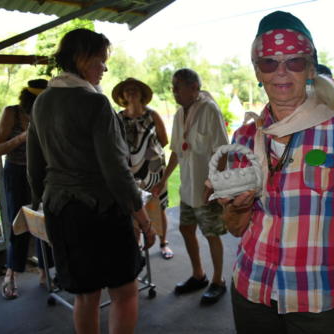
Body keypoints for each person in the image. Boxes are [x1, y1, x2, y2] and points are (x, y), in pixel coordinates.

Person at [217, 11, 334, 334]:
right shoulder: (244, 138)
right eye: (269, 62)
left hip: (319, 300)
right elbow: (236, 229)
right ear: (257, 71)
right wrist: (236, 208)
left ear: (310, 69)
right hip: (252, 290)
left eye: (294, 62)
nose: (281, 72)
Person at [27, 28, 156, 334]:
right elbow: (116, 172)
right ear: (82, 59)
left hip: (62, 211)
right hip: (100, 213)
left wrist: (39, 203)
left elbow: (34, 166)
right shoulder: (95, 103)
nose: (104, 68)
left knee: (86, 295)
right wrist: (144, 221)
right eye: (100, 60)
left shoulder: (42, 103)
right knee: (124, 292)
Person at [155, 68, 229, 304]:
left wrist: (215, 182)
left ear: (194, 88)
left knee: (211, 233)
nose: (174, 91)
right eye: (173, 86)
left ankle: (219, 281)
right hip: (188, 187)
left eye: (178, 86)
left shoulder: (209, 109)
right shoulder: (179, 114)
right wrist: (164, 178)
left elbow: (222, 150)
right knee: (187, 229)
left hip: (206, 186)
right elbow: (177, 150)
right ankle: (199, 275)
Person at [0, 79, 53, 300]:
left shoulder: (50, 114)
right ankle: (11, 273)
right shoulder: (13, 113)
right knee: (18, 223)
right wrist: (22, 137)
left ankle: (45, 273)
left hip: (44, 174)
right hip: (17, 173)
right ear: (29, 99)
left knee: (44, 221)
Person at [112, 77, 174, 260]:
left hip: (153, 171)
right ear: (122, 95)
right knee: (134, 208)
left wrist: (148, 154)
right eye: (127, 90)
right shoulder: (118, 117)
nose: (131, 92)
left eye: (135, 89)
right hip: (129, 171)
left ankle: (164, 243)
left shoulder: (152, 115)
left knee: (159, 206)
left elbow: (164, 140)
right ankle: (138, 244)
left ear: (141, 94)